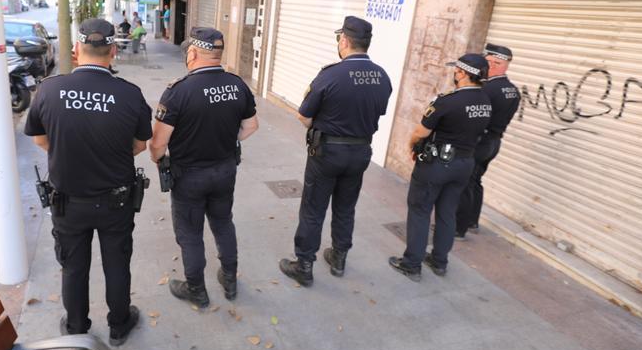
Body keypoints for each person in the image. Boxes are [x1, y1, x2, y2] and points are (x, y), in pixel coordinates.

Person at [24, 18, 152, 348]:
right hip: (116, 202)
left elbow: (40, 140)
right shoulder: (130, 94)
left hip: (68, 203)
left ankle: (78, 331)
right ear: (113, 52)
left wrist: (72, 148)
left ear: (76, 49)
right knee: (117, 265)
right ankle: (120, 325)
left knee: (73, 268)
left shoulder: (48, 89)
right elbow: (139, 146)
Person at [149, 27, 259, 307]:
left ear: (194, 53)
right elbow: (251, 126)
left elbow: (159, 144)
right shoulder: (237, 84)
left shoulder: (179, 92)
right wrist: (223, 140)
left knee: (190, 233)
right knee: (223, 223)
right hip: (225, 170)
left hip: (189, 176)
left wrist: (159, 158)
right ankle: (230, 279)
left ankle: (196, 289)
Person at [278, 16, 392, 287]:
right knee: (346, 207)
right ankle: (339, 258)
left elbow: (304, 117)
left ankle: (304, 265)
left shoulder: (330, 74)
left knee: (313, 208)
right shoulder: (382, 76)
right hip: (361, 152)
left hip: (327, 152)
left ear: (344, 41)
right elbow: (378, 111)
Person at [389, 54, 492, 281]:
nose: (454, 73)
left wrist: (412, 146)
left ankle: (412, 264)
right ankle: (439, 262)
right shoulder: (485, 101)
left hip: (437, 165)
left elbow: (420, 132)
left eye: (457, 70)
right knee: (446, 212)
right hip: (464, 164)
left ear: (463, 73)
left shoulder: (447, 101)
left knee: (420, 210)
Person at [455, 44, 519, 239]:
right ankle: (473, 221)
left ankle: (459, 228)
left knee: (465, 184)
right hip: (494, 142)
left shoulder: (487, 89)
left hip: (479, 143)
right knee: (476, 181)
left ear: (493, 63)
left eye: (488, 62)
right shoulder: (513, 90)